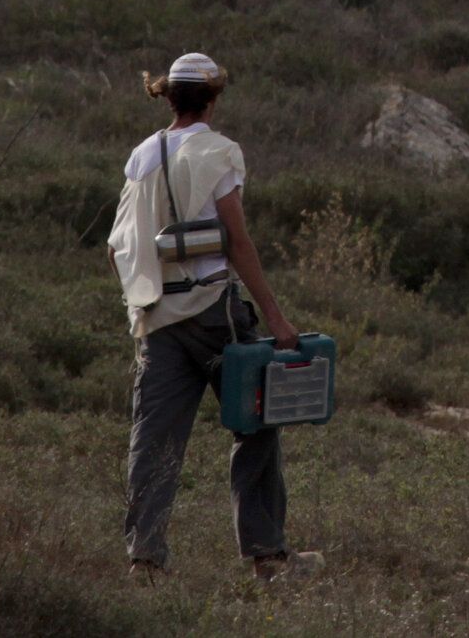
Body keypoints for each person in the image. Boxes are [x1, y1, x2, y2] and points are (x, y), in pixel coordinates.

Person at [106, 52, 320, 581]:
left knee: (153, 440)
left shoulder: (141, 156)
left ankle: (145, 561)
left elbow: (118, 246)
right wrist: (275, 318)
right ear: (213, 98)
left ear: (168, 96)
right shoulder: (220, 153)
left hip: (157, 317)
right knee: (257, 425)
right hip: (214, 312)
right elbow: (238, 242)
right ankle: (267, 557)